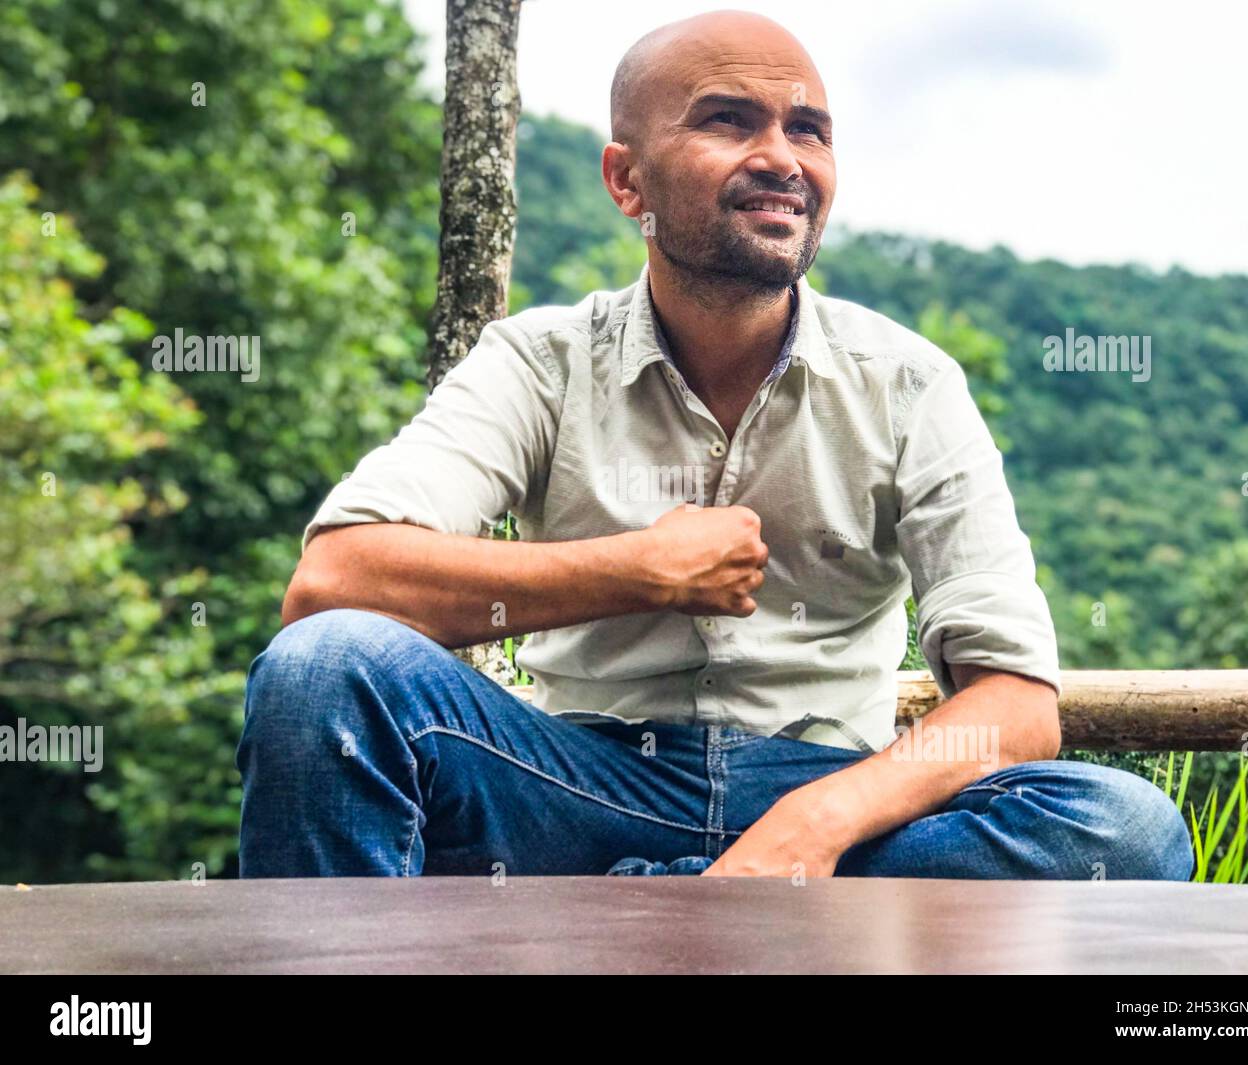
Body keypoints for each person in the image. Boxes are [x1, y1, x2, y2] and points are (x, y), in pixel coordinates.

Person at [237, 10, 1192, 882]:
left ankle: (660, 913)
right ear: (627, 181)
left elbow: (1016, 704)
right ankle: (702, 916)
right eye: (729, 121)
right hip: (575, 785)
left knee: (1124, 826)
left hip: (831, 810)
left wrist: (814, 823)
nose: (782, 156)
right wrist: (641, 570)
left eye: (808, 129)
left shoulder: (910, 384)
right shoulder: (539, 361)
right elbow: (333, 585)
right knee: (325, 670)